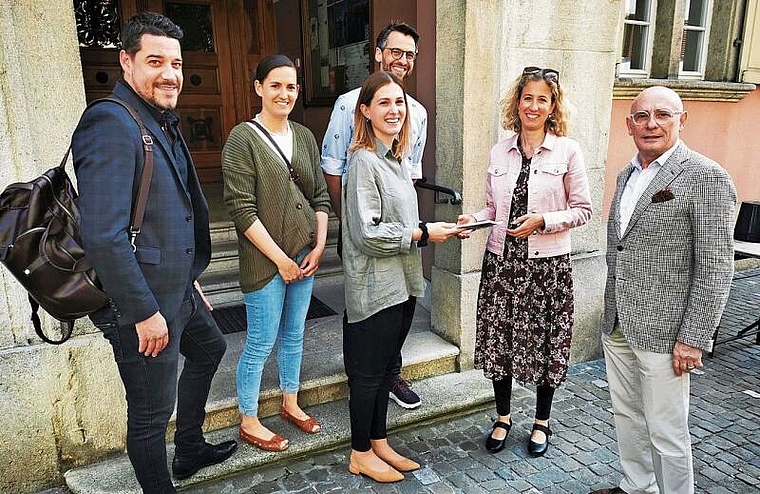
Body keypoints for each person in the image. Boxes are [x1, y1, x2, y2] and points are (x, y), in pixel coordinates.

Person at [72, 12, 236, 492]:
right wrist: (143, 312)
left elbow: (168, 211)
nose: (170, 74)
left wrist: (189, 275)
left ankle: (188, 449)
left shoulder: (158, 117)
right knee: (149, 416)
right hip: (142, 306)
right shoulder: (109, 122)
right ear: (126, 61)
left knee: (211, 349)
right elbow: (103, 235)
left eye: (177, 63)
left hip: (177, 289)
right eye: (155, 61)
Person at [590, 86, 736, 494]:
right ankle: (637, 486)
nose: (651, 124)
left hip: (667, 332)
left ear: (682, 119)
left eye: (663, 115)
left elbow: (715, 266)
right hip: (618, 322)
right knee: (627, 415)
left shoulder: (706, 176)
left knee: (667, 431)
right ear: (628, 125)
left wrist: (693, 338)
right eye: (641, 116)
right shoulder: (626, 174)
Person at [458, 67, 592, 457]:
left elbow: (582, 210)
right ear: (517, 102)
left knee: (546, 343)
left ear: (552, 107)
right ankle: (502, 417)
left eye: (542, 100)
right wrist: (474, 219)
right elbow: (493, 207)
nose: (533, 106)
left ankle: (541, 421)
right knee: (500, 340)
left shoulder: (568, 150)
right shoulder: (500, 150)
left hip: (546, 267)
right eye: (527, 97)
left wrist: (543, 222)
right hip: (501, 263)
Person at [342, 71, 461, 483]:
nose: (394, 110)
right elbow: (367, 233)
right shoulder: (363, 161)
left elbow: (403, 221)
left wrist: (437, 227)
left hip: (403, 283)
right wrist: (424, 233)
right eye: (384, 103)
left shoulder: (396, 160)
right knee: (368, 376)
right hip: (374, 289)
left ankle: (378, 442)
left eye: (400, 102)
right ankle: (359, 452)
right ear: (366, 111)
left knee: (383, 374)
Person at [222, 54, 331, 453]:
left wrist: (318, 247)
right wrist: (280, 260)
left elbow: (319, 194)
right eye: (276, 85)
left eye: (291, 86)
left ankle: (290, 401)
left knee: (294, 334)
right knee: (260, 340)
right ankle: (249, 418)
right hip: (265, 261)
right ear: (259, 88)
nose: (284, 93)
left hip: (305, 253)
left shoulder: (303, 135)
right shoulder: (242, 138)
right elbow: (241, 209)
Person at [321, 22, 426, 410]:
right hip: (362, 222)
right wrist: (347, 221)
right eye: (396, 52)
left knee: (398, 304)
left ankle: (389, 373)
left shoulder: (416, 113)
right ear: (378, 53)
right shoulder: (349, 104)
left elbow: (410, 172)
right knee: (363, 305)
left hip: (400, 228)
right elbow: (333, 167)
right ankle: (362, 379)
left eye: (410, 55)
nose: (403, 60)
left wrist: (413, 228)